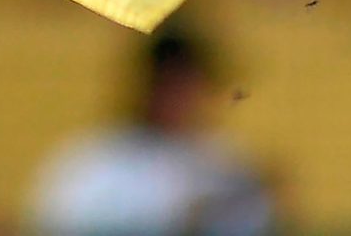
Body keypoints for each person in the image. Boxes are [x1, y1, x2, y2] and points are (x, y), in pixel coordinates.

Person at [26, 28, 278, 236]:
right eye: (174, 87)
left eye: (193, 87)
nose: (185, 100)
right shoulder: (93, 163)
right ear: (149, 86)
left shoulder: (225, 161)